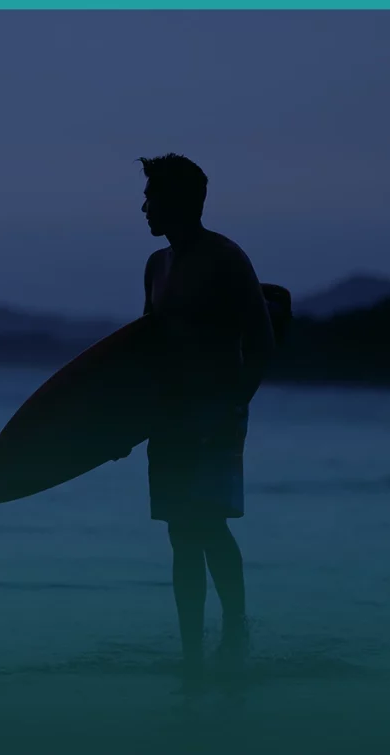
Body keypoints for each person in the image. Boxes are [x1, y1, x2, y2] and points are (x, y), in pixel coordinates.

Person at [123, 153, 276, 689]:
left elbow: (261, 342)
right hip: (167, 419)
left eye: (151, 196)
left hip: (214, 418)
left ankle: (234, 631)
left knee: (208, 526)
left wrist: (232, 410)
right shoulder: (155, 267)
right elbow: (145, 349)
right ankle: (191, 656)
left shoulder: (226, 258)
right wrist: (118, 424)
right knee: (179, 536)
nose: (143, 206)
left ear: (178, 201)